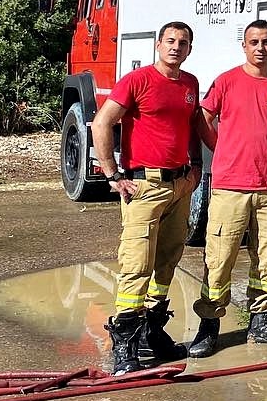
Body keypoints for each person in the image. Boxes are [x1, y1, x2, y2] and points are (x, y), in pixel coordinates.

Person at [90, 22, 212, 374]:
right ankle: (125, 345)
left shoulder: (189, 83)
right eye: (170, 41)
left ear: (190, 48)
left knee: (167, 261)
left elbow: (192, 126)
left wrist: (197, 167)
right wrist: (113, 175)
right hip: (145, 185)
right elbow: (102, 123)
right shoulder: (137, 80)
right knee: (136, 265)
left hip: (178, 185)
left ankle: (152, 333)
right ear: (158, 44)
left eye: (183, 42)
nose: (176, 47)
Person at [187, 20, 267, 355]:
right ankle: (209, 324)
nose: (260, 48)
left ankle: (262, 320)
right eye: (254, 42)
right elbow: (204, 118)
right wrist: (222, 146)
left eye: (266, 42)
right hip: (230, 187)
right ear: (244, 45)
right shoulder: (227, 81)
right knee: (219, 257)